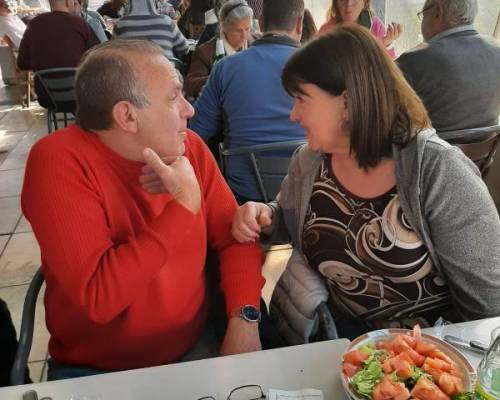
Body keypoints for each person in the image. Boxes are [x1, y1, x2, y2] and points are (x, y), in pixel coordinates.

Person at [232, 25, 500, 343]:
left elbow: (489, 304)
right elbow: (285, 221)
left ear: (347, 103)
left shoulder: (437, 171)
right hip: (338, 336)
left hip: (427, 351)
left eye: (302, 99)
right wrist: (265, 215)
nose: (293, 115)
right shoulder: (310, 161)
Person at [21, 39, 265, 380]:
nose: (189, 109)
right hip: (97, 370)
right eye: (173, 97)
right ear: (127, 116)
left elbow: (236, 237)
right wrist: (182, 207)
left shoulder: (189, 148)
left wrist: (244, 320)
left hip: (195, 348)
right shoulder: (58, 161)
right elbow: (99, 298)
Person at [189, 0, 306, 202]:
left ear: (259, 22)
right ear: (300, 24)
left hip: (242, 199)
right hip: (307, 195)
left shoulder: (225, 69)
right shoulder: (320, 67)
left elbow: (196, 134)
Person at [397, 0, 500, 134]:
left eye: (423, 14)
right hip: (482, 153)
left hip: (427, 154)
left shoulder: (414, 59)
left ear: (438, 13)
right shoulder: (497, 51)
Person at [17, 0, 99, 111]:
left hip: (49, 98)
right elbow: (99, 56)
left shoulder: (34, 24)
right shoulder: (80, 24)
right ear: (68, 2)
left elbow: (22, 63)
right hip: (81, 94)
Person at [184, 0, 256, 100]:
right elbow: (190, 85)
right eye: (238, 31)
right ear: (224, 28)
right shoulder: (206, 52)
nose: (244, 35)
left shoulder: (258, 43)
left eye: (247, 29)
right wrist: (220, 77)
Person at [318, 0, 401, 59]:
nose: (349, 3)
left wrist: (387, 43)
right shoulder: (326, 32)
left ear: (365, 1)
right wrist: (380, 44)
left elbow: (388, 72)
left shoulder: (376, 27)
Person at [114, 0, 190, 60]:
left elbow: (112, 51)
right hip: (164, 74)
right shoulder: (166, 21)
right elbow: (184, 49)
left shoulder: (121, 24)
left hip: (131, 76)